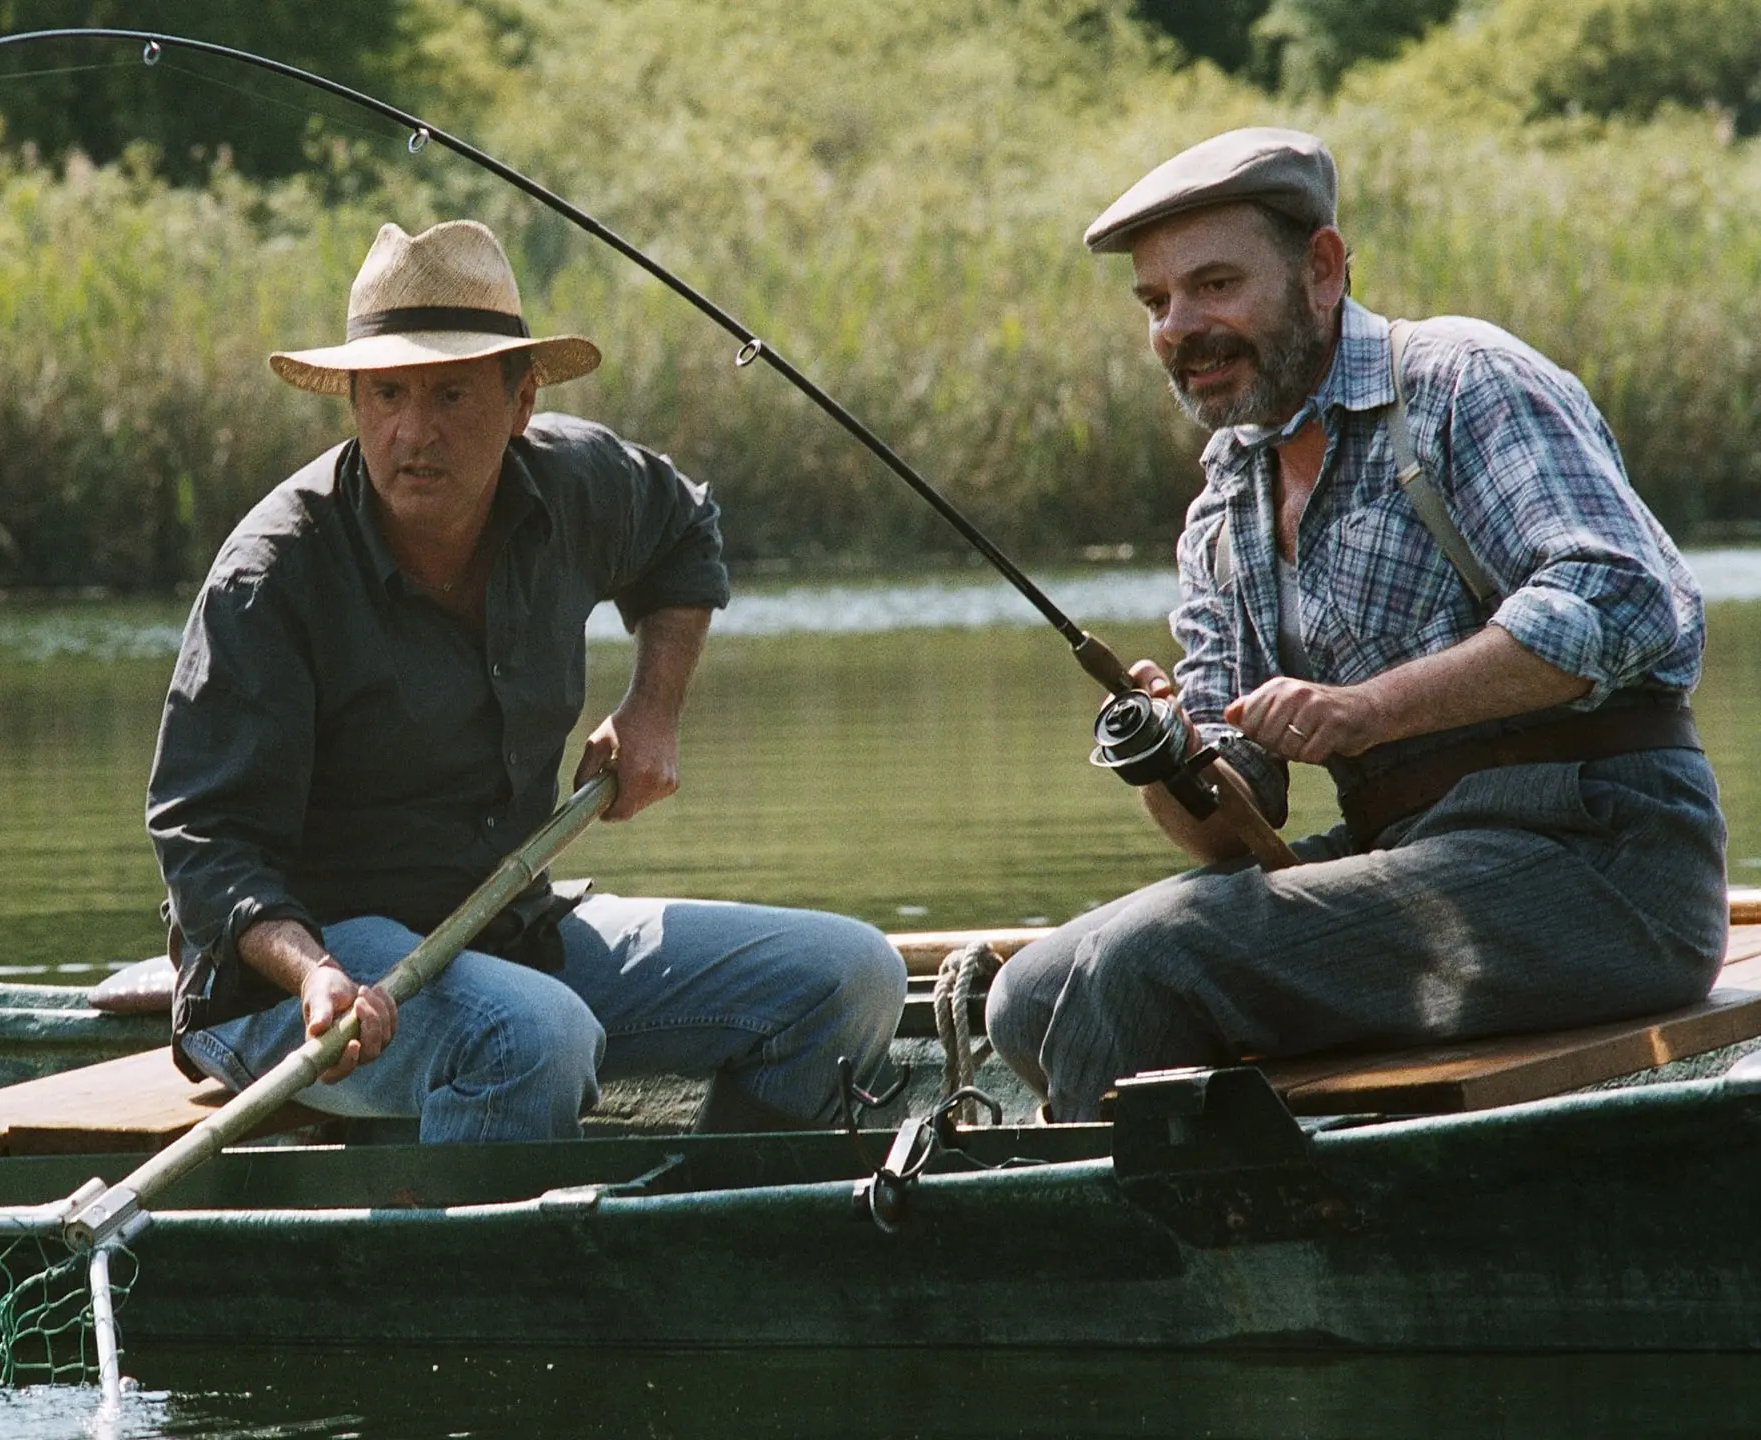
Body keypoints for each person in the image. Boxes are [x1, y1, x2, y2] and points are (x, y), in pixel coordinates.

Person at [985, 128, 1726, 1122]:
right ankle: (1239, 1220)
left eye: (1213, 285)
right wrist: (1166, 753)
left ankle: (1132, 1261)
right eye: (1156, 303)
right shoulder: (1223, 504)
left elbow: (1623, 595)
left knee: (1148, 964)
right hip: (1415, 862)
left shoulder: (1463, 382)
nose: (1179, 327)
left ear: (1322, 268)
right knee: (1024, 994)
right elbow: (1230, 831)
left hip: (1605, 867)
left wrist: (1366, 711)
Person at [147, 219, 906, 1142]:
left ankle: (705, 1238)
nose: (413, 432)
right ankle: (479, 1282)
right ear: (353, 403)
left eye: (452, 394)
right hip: (291, 983)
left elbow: (683, 531)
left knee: (854, 978)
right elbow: (206, 845)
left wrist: (652, 709)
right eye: (385, 394)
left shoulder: (574, 483)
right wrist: (312, 973)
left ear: (520, 401)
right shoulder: (272, 576)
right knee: (533, 1039)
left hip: (508, 929)